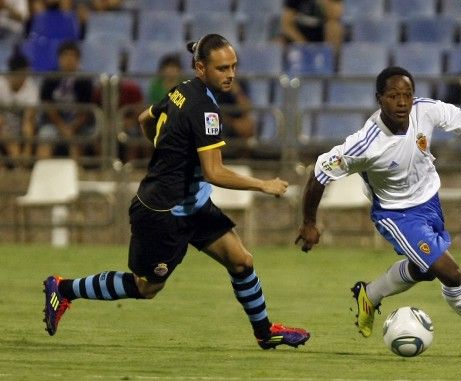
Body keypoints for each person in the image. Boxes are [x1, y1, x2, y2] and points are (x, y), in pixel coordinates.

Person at [42, 34, 310, 350]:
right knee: (146, 287)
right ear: (201, 68)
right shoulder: (206, 110)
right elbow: (215, 172)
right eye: (223, 68)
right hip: (163, 212)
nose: (231, 75)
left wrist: (166, 146)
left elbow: (145, 120)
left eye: (233, 67)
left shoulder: (182, 90)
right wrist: (263, 184)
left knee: (242, 262)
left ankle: (265, 333)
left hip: (192, 204)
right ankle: (64, 288)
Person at [295, 66, 461, 358]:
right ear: (379, 99)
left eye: (407, 95)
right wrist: (309, 222)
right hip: (396, 214)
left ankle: (368, 296)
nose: (402, 102)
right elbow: (319, 173)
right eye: (393, 96)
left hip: (430, 201)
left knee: (424, 271)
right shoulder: (364, 144)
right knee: (450, 272)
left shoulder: (425, 111)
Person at [38, 40, 95, 159]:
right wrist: (62, 127)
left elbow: (85, 110)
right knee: (45, 136)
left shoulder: (85, 81)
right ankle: (43, 174)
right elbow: (48, 107)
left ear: (78, 60)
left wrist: (72, 128)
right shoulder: (50, 78)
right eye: (65, 55)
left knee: (77, 140)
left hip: (78, 125)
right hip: (53, 123)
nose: (69, 59)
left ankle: (77, 173)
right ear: (59, 58)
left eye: (72, 56)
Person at [0, 48, 38, 168]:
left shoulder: (31, 89)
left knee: (28, 126)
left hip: (22, 126)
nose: (24, 77)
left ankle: (22, 163)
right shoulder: (1, 85)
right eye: (21, 74)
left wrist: (26, 150)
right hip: (3, 126)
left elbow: (29, 119)